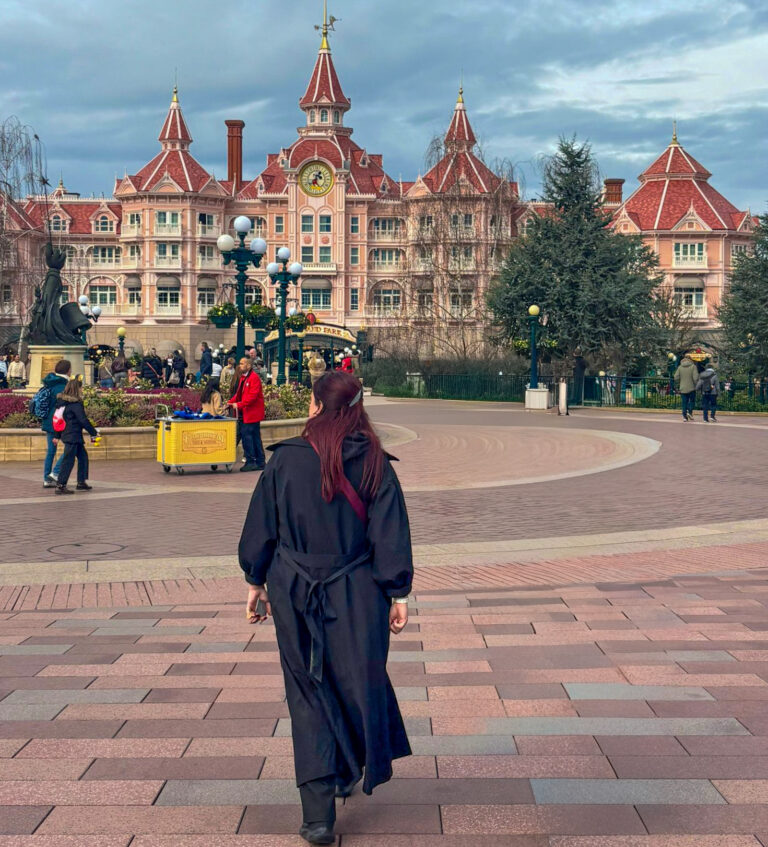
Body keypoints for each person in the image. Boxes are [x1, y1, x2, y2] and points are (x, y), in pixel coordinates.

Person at [238, 371, 413, 845]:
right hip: (357, 589)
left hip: (293, 585)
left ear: (316, 406)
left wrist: (256, 580)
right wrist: (397, 593)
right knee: (358, 680)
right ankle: (344, 769)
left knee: (307, 690)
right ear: (358, 408)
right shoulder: (375, 460)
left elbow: (262, 526)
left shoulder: (285, 461)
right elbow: (390, 533)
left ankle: (318, 816)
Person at [53, 377, 98, 495]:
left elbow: (58, 419)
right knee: (68, 461)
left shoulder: (62, 402)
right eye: (81, 387)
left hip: (70, 434)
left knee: (83, 457)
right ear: (76, 389)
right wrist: (93, 432)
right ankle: (61, 485)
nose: (82, 389)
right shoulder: (75, 404)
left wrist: (57, 435)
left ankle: (81, 482)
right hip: (72, 435)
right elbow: (83, 420)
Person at [228, 356, 265, 472]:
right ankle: (260, 461)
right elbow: (239, 394)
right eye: (240, 363)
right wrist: (230, 402)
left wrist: (238, 405)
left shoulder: (254, 378)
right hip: (247, 413)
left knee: (248, 438)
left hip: (252, 414)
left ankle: (251, 462)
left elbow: (252, 397)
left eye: (242, 363)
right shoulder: (244, 378)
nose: (240, 365)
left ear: (248, 366)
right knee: (254, 437)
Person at [39, 359, 71, 488]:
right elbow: (64, 405)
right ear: (68, 370)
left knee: (51, 451)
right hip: (60, 421)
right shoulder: (62, 385)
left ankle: (47, 478)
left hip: (48, 421)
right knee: (71, 447)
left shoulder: (50, 382)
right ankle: (55, 472)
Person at [674, 353, 699, 422]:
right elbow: (695, 378)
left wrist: (680, 383)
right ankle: (690, 412)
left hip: (682, 388)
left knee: (684, 402)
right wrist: (696, 384)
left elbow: (676, 377)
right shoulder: (693, 366)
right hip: (692, 388)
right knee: (692, 401)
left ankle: (684, 417)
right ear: (690, 359)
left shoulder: (680, 367)